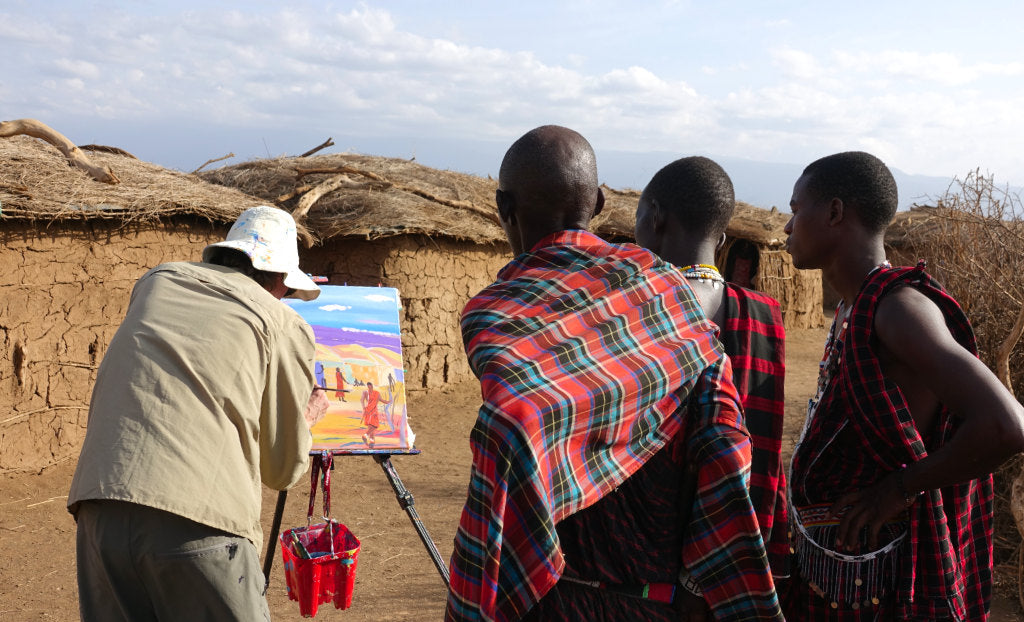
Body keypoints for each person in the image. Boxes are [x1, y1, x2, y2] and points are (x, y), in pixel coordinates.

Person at [446, 125, 782, 622]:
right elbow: (727, 444)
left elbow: (515, 434)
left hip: (550, 597)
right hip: (658, 599)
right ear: (601, 202)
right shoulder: (667, 294)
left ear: (504, 209)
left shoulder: (496, 312)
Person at [782, 151, 1024, 620]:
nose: (788, 228)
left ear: (834, 213)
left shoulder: (898, 309)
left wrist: (900, 488)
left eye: (796, 210)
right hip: (844, 577)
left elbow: (1007, 424)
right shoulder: (856, 310)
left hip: (889, 587)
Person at [67, 205, 331, 621]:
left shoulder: (157, 283)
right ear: (280, 278)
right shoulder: (282, 322)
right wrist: (308, 418)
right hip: (200, 522)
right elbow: (282, 470)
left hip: (101, 510)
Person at [634, 156, 791, 590]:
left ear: (656, 218)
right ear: (721, 239)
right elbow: (764, 444)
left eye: (638, 217)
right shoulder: (764, 315)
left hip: (646, 551)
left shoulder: (636, 308)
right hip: (733, 545)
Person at [360, 381, 390, 447]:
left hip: (374, 411)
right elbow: (361, 400)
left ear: (372, 386)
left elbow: (382, 400)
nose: (369, 387)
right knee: (372, 426)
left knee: (373, 426)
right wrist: (363, 408)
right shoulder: (366, 392)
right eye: (368, 386)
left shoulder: (377, 393)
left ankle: (370, 440)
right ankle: (369, 439)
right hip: (369, 411)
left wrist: (388, 402)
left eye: (370, 386)